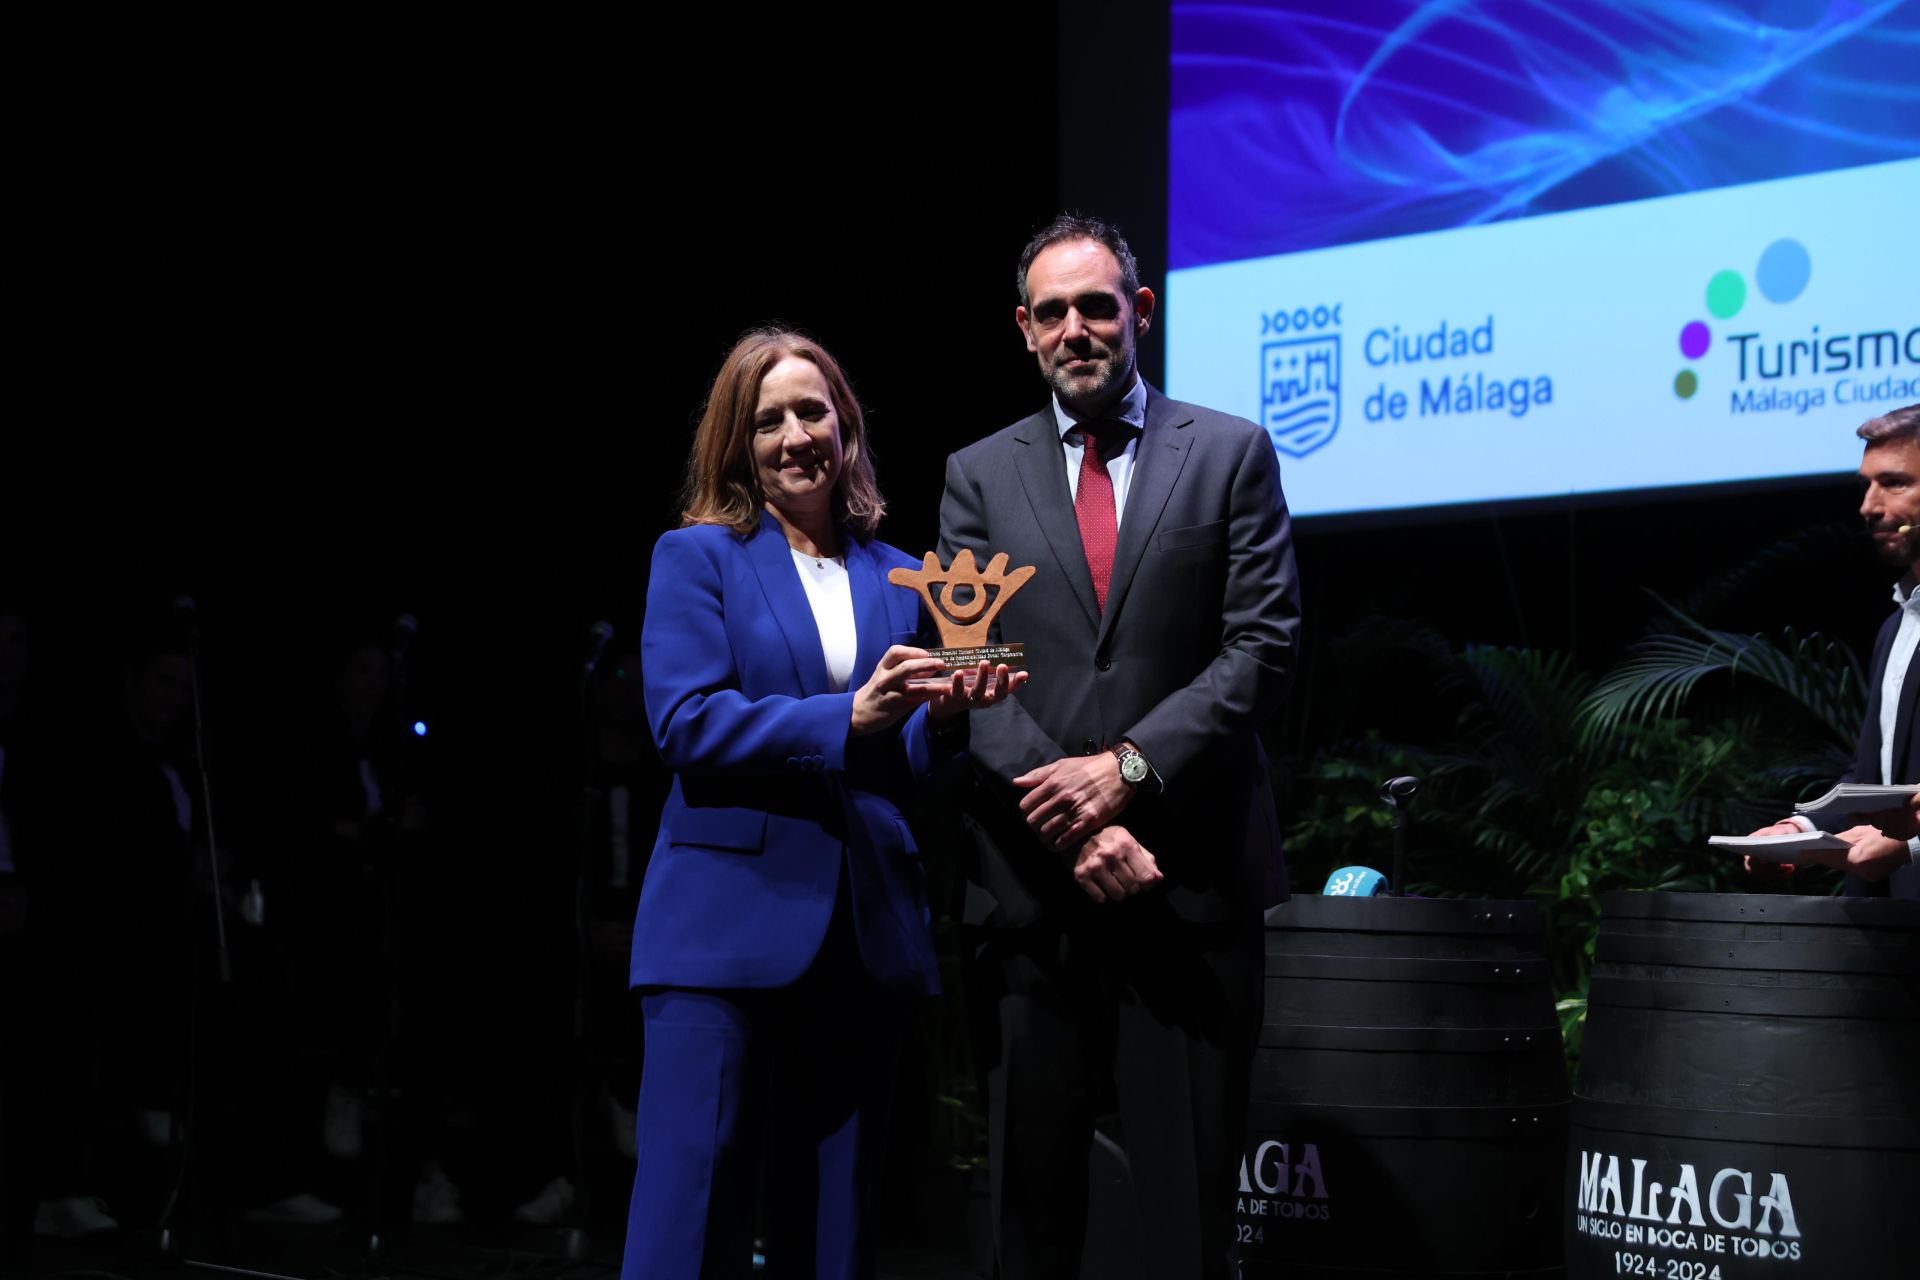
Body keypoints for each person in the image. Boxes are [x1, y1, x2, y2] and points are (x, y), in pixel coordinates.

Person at [936, 215, 1301, 1279]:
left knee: (1189, 1222)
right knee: (1031, 1225)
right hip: (1034, 894)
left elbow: (1263, 649)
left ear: (1139, 312)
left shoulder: (1229, 450)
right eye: (1052, 311)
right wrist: (1076, 823)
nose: (1076, 328)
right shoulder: (976, 476)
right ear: (1024, 328)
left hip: (1187, 890)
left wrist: (1124, 771)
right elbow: (971, 674)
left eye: (1097, 305)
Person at [622, 327, 1023, 1280]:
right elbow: (686, 722)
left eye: (814, 410)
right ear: (737, 442)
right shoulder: (698, 558)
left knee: (838, 1228)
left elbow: (901, 754)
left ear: (845, 425)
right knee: (692, 1213)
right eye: (769, 420)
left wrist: (951, 721)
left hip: (863, 929)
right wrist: (849, 714)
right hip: (719, 932)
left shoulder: (896, 574)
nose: (796, 434)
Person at [1748, 403, 1920, 896]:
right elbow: (1875, 779)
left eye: (1894, 483)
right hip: (1890, 933)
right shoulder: (1896, 627)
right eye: (1866, 484)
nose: (1868, 505)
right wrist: (1795, 833)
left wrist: (1908, 848)